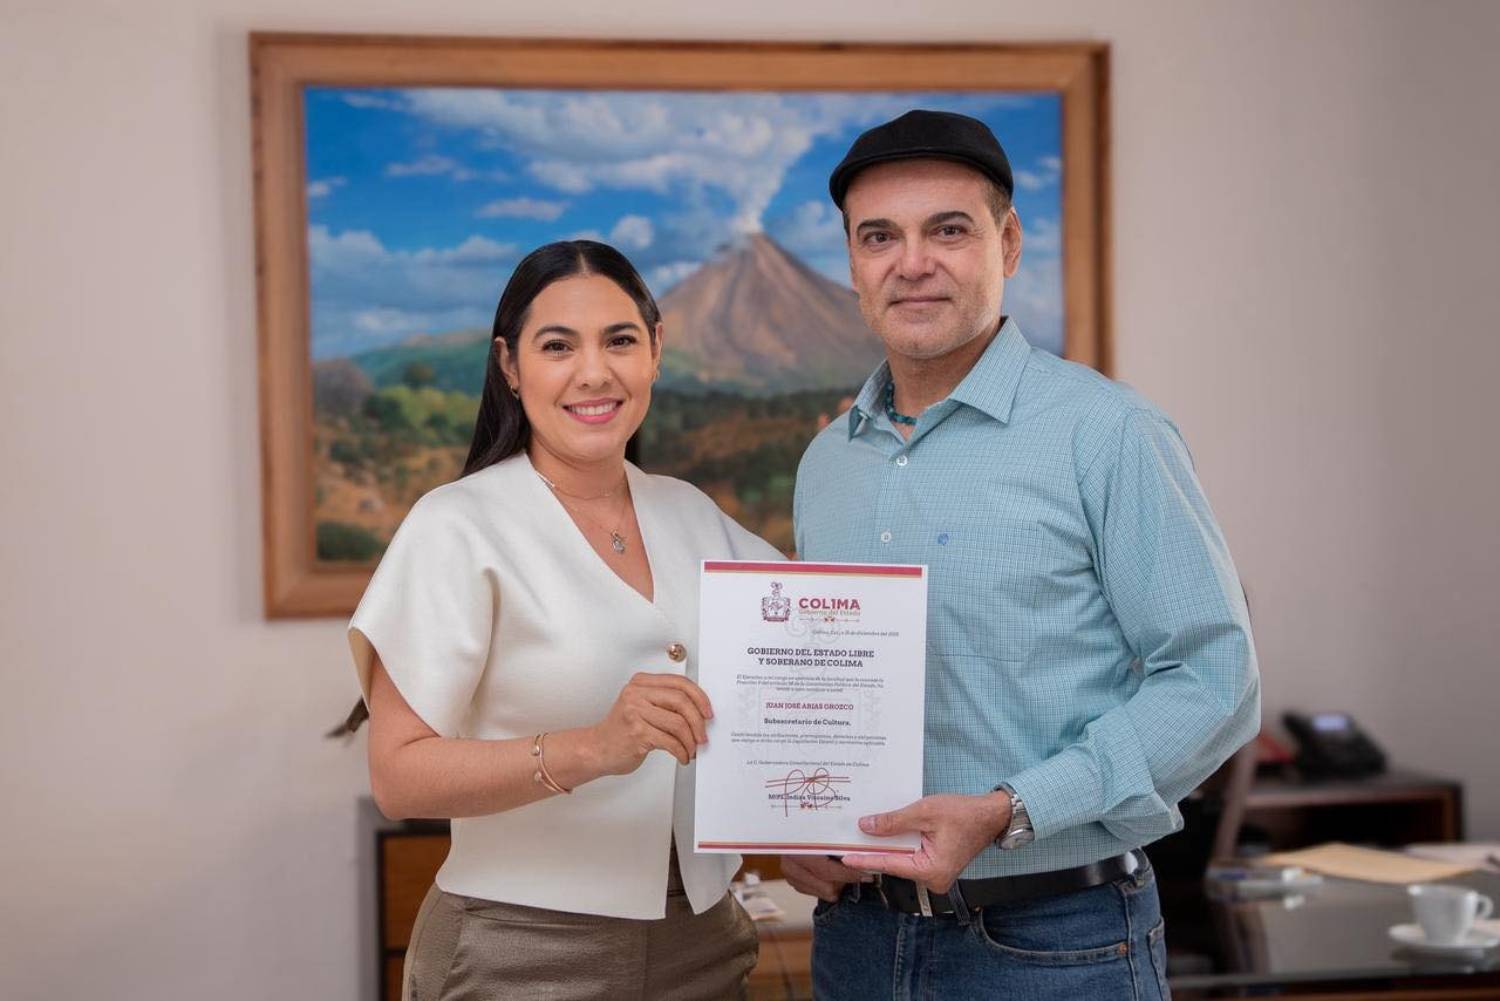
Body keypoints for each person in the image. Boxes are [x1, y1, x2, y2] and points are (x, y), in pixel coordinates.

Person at [782, 109, 1261, 1000]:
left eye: (947, 230)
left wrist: (1012, 809)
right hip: (857, 939)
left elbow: (1215, 679)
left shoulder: (1108, 433)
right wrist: (802, 826)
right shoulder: (827, 464)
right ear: (851, 263)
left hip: (1057, 942)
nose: (911, 262)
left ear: (1006, 243)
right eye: (879, 236)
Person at [347, 240, 781, 1000]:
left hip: (704, 944)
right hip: (517, 951)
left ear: (655, 352)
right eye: (557, 346)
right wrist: (594, 748)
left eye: (620, 340)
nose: (594, 372)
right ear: (510, 366)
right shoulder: (456, 526)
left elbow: (815, 659)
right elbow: (399, 777)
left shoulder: (697, 516)